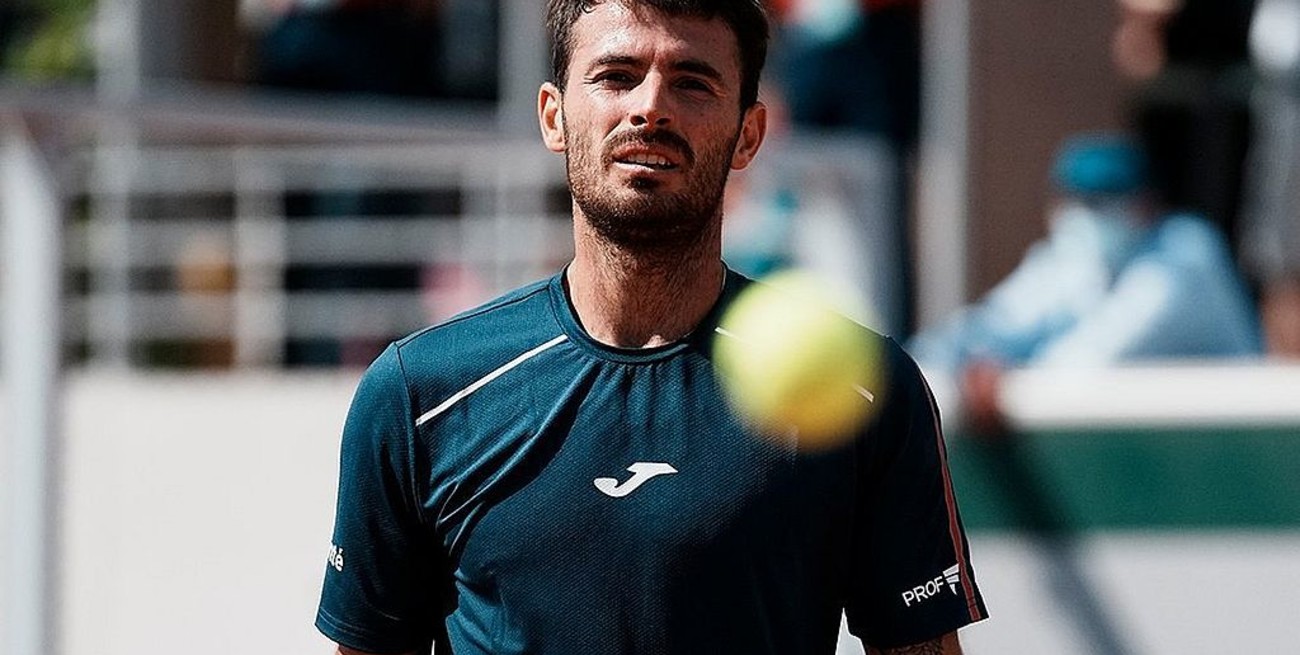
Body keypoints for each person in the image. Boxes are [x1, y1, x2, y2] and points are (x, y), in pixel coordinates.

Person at [315, 1, 987, 653]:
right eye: (616, 76)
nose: (650, 107)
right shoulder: (419, 394)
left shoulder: (865, 390)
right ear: (553, 116)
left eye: (692, 83)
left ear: (748, 134)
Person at [908, 134, 1262, 431]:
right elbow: (987, 326)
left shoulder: (1186, 255)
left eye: (1098, 204)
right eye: (1071, 202)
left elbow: (1092, 356)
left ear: (1145, 205)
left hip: (1234, 447)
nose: (1081, 217)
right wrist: (954, 366)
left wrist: (1000, 377)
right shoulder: (1072, 262)